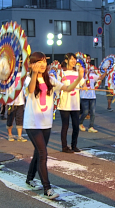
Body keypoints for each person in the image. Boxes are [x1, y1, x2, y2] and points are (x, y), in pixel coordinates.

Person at [24, 51, 83, 199]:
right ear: (32, 64)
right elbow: (30, 90)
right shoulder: (27, 79)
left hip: (46, 123)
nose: (43, 64)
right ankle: (47, 189)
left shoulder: (50, 80)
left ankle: (29, 178)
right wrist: (34, 74)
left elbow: (68, 89)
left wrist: (80, 78)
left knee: (38, 153)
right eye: (39, 61)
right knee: (43, 153)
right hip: (32, 123)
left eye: (44, 61)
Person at [58, 53, 85, 153]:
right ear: (66, 60)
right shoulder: (61, 72)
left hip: (75, 103)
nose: (74, 61)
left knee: (76, 125)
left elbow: (82, 82)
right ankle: (64, 147)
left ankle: (74, 145)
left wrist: (85, 86)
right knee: (65, 126)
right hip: (64, 103)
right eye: (71, 59)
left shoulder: (77, 72)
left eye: (75, 59)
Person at [79, 61, 106, 133]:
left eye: (89, 67)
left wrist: (105, 73)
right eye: (86, 68)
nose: (88, 69)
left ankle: (91, 126)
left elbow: (100, 78)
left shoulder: (92, 75)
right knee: (85, 112)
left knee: (93, 112)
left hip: (92, 96)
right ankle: (80, 123)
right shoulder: (81, 76)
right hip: (84, 96)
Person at [7, 63, 28, 142]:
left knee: (19, 118)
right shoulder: (8, 74)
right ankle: (10, 134)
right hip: (10, 101)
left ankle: (19, 136)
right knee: (10, 118)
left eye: (19, 63)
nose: (18, 65)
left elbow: (25, 85)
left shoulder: (22, 74)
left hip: (20, 101)